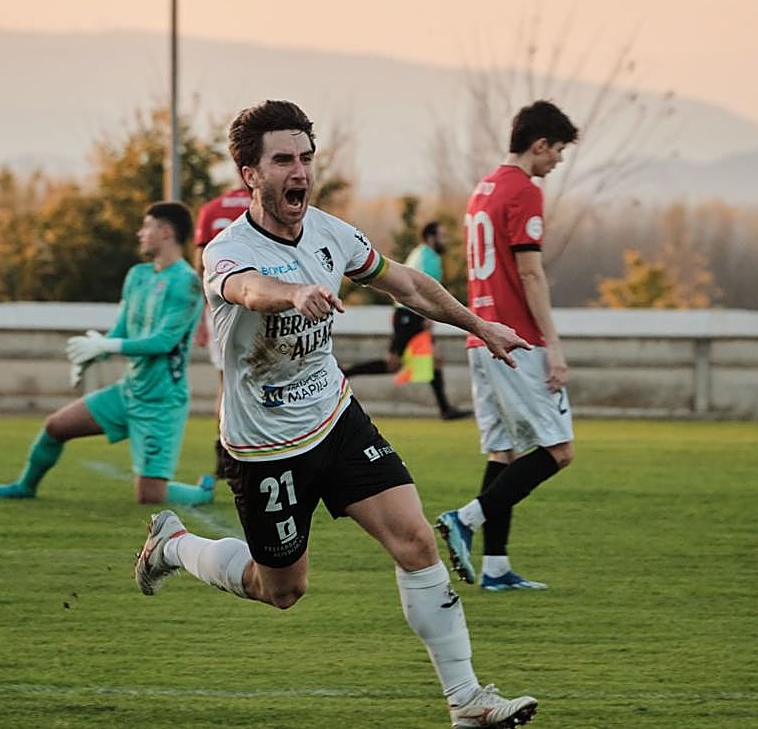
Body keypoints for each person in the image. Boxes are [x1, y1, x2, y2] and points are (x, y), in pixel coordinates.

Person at [133, 101, 539, 727]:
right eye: (282, 160)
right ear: (250, 173)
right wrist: (292, 293)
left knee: (415, 541)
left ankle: (467, 703)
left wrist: (480, 325)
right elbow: (248, 289)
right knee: (281, 590)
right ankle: (177, 546)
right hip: (266, 447)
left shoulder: (330, 233)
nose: (299, 171)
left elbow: (407, 284)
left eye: (305, 158)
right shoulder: (227, 250)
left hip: (335, 417)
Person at [0, 202, 213, 506]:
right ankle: (24, 486)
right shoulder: (137, 275)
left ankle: (203, 492)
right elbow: (122, 329)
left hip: (161, 404)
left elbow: (164, 342)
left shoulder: (187, 282)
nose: (140, 233)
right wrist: (92, 355)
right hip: (129, 391)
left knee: (150, 496)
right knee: (56, 427)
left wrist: (105, 346)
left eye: (146, 226)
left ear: (166, 232)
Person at [435, 100, 579, 593]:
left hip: (481, 336)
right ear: (539, 144)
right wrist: (553, 345)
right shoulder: (524, 190)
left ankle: (495, 568)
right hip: (516, 339)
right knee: (559, 450)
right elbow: (530, 273)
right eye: (557, 150)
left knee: (504, 453)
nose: (558, 161)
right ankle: (464, 519)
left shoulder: (484, 188)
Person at [342, 220, 472, 420]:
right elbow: (423, 290)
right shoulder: (428, 257)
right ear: (431, 237)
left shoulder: (420, 253)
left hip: (409, 314)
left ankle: (445, 409)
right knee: (393, 364)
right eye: (442, 236)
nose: (445, 240)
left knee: (434, 359)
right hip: (410, 315)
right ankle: (344, 373)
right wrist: (427, 316)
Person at [193, 185, 251, 479]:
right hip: (260, 301)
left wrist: (201, 318)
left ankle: (226, 454)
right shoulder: (268, 203)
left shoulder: (212, 208)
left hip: (220, 308)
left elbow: (201, 265)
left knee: (226, 382)